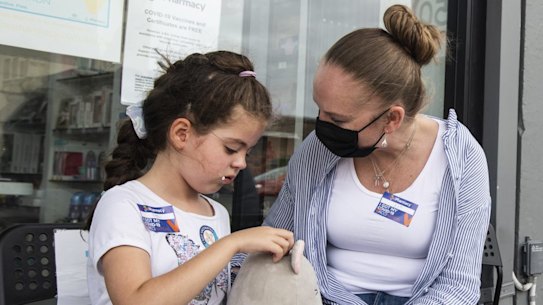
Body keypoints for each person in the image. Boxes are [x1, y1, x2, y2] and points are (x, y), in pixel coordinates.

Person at [262, 4, 491, 305]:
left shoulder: (462, 159)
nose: (322, 126)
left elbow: (459, 287)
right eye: (319, 109)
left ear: (392, 119)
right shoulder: (317, 151)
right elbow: (274, 239)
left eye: (339, 120)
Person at [86, 50, 294, 305]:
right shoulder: (123, 205)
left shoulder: (216, 213)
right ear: (182, 134)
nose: (241, 162)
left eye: (247, 151)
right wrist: (231, 245)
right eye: (231, 148)